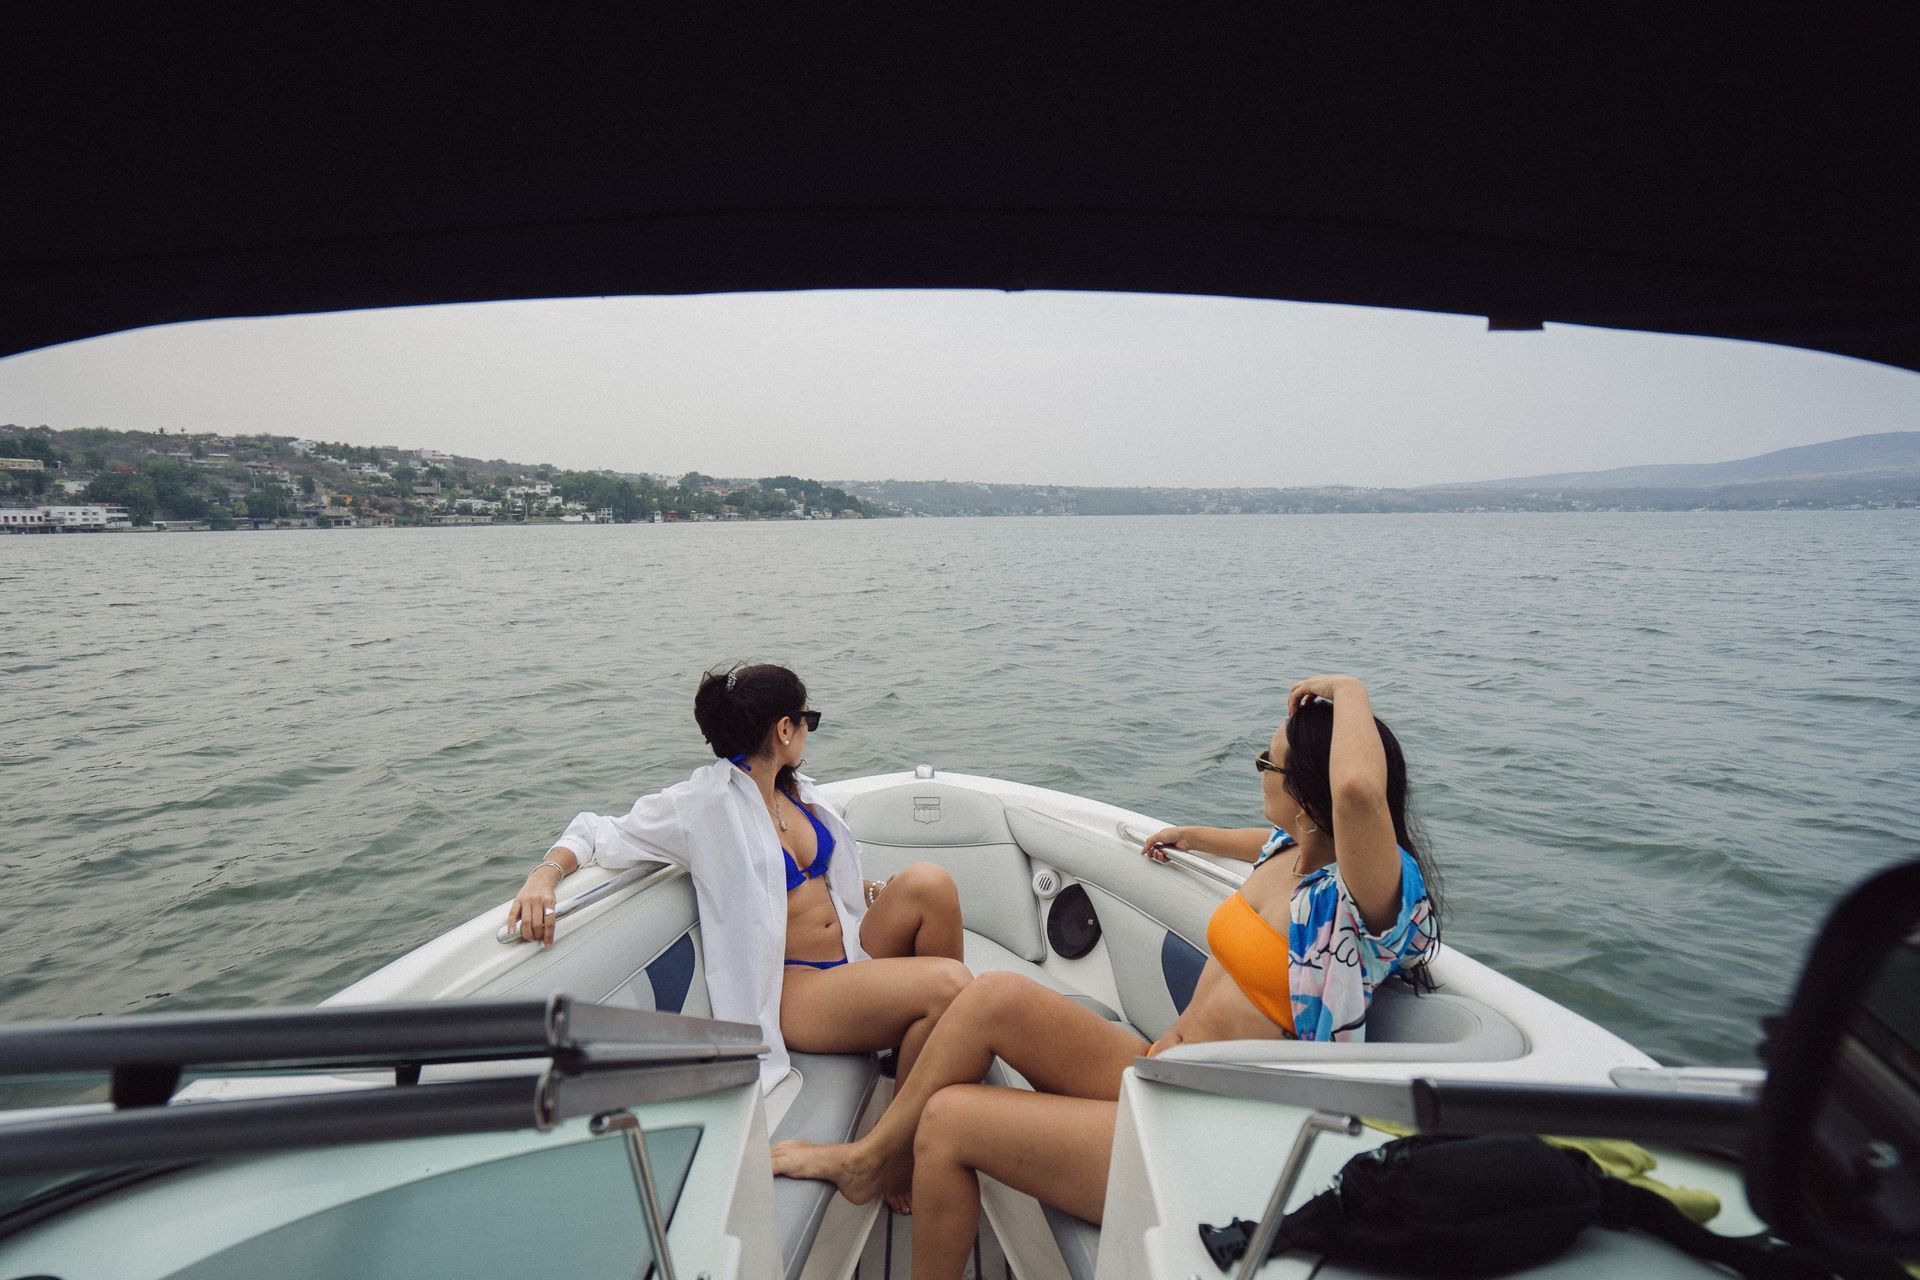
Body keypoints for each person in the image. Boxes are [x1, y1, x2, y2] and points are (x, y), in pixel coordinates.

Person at [770, 674, 1442, 1279]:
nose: (1259, 770)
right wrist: (1193, 836)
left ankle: (879, 1162)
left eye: (1271, 761)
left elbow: (1357, 791)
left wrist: (1348, 692)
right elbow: (1259, 839)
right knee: (992, 995)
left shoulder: (1369, 901)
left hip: (1216, 1134)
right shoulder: (1291, 851)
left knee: (948, 1123)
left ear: (1310, 789)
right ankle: (875, 1156)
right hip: (1158, 1070)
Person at [507, 663, 973, 1106]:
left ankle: (936, 1051)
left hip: (852, 949)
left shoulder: (797, 791)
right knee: (949, 985)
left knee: (932, 883)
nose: (810, 730)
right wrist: (544, 877)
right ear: (784, 729)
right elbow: (596, 832)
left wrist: (870, 891)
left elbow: (806, 886)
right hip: (799, 988)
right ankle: (899, 1149)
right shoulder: (704, 805)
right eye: (808, 719)